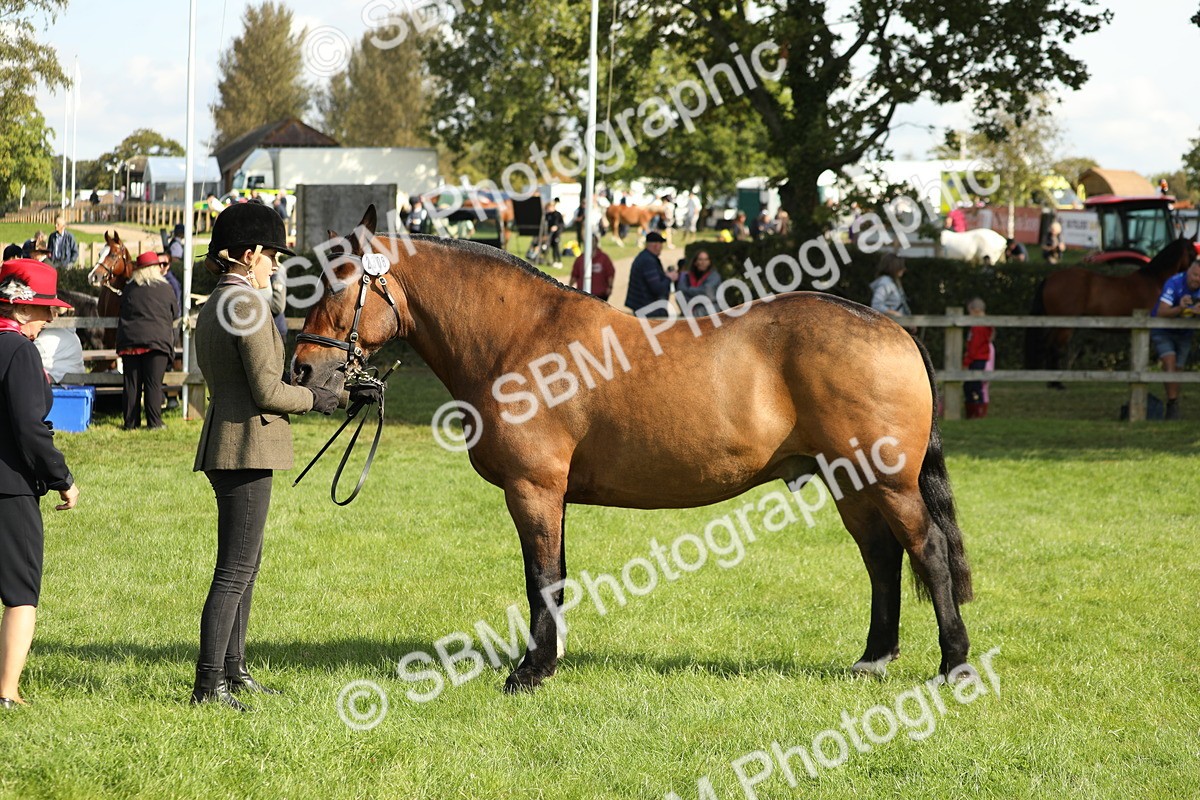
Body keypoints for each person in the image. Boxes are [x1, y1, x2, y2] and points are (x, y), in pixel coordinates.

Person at [190, 203, 374, 711]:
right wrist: (321, 400)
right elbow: (269, 392)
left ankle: (234, 670)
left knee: (244, 567)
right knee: (235, 569)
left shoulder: (222, 300)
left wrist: (340, 387)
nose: (275, 264)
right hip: (245, 444)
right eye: (271, 255)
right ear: (248, 254)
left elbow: (267, 380)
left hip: (236, 440)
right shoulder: (245, 304)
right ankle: (210, 684)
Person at [0, 258, 79, 709]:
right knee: (19, 593)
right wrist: (61, 477)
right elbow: (31, 427)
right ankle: (7, 692)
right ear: (23, 309)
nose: (51, 319)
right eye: (46, 309)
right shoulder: (19, 351)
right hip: (9, 486)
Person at [117, 252, 179, 431]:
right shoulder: (165, 288)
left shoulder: (130, 288)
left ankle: (130, 423)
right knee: (153, 384)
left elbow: (122, 309)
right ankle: (154, 422)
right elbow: (174, 312)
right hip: (157, 342)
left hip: (130, 341)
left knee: (131, 384)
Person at [1150, 257, 1200, 420]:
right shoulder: (1174, 283)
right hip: (1163, 330)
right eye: (1194, 275)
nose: (1196, 280)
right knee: (1169, 363)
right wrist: (1180, 308)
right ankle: (1172, 406)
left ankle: (1173, 402)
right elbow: (1161, 312)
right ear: (1188, 272)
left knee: (1177, 371)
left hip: (1184, 333)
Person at [625, 231, 676, 317]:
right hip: (648, 309)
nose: (661, 247)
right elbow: (657, 288)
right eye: (661, 244)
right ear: (656, 245)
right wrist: (669, 278)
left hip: (641, 306)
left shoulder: (644, 257)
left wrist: (664, 276)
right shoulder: (648, 261)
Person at [963, 297, 994, 419]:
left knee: (974, 386)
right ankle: (974, 412)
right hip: (979, 358)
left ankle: (976, 413)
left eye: (970, 312)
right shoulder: (983, 326)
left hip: (976, 359)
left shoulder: (978, 327)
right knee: (972, 385)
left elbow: (974, 347)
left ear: (975, 311)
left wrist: (966, 361)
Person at [569, 235, 615, 301]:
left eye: (592, 241)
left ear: (596, 243)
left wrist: (610, 287)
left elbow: (610, 273)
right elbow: (574, 275)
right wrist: (569, 289)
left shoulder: (604, 258)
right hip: (583, 295)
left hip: (600, 296)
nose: (590, 243)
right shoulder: (580, 259)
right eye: (588, 241)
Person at [676, 250, 721, 316]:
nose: (703, 262)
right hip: (690, 315)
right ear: (695, 262)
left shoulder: (714, 276)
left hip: (709, 315)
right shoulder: (687, 276)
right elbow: (680, 293)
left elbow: (707, 292)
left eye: (706, 259)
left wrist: (688, 291)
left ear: (709, 262)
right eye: (700, 259)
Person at [869, 254, 912, 319]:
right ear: (894, 267)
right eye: (900, 266)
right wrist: (895, 313)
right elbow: (876, 305)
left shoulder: (894, 282)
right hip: (888, 325)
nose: (904, 269)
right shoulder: (886, 283)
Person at [544, 199, 565, 269]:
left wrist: (557, 227)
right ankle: (554, 260)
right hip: (550, 234)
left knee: (556, 247)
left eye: (549, 207)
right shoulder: (547, 215)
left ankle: (559, 261)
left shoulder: (558, 214)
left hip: (556, 234)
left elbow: (562, 224)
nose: (548, 209)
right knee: (551, 247)